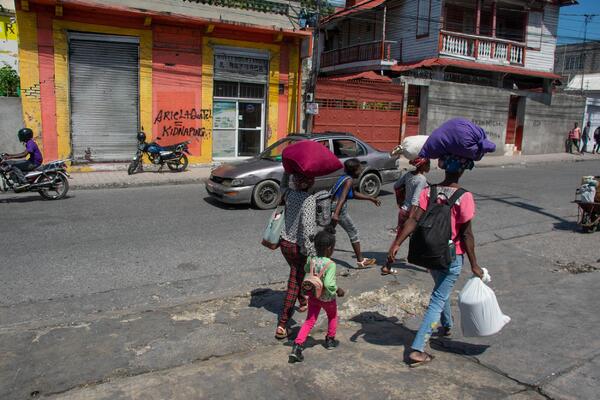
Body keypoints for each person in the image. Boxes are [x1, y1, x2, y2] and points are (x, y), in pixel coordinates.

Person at [387, 155, 485, 367]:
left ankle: (447, 324)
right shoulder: (464, 196)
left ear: (442, 167)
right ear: (463, 170)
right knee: (438, 298)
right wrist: (475, 265)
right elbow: (467, 234)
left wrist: (397, 243)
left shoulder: (428, 191)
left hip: (429, 254)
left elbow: (413, 219)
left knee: (441, 289)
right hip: (451, 256)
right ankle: (418, 349)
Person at [289, 226, 345, 363]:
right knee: (332, 316)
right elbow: (329, 284)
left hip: (313, 296)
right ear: (329, 249)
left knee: (309, 320)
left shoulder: (311, 259)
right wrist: (338, 290)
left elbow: (307, 269)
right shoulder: (330, 264)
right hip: (327, 298)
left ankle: (297, 346)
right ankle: (330, 340)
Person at [276, 173, 317, 340]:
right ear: (311, 182)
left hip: (284, 243)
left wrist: (286, 172)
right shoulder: (309, 200)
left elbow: (282, 187)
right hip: (298, 247)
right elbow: (308, 229)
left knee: (297, 274)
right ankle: (282, 324)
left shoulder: (289, 194)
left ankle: (302, 301)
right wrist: (313, 255)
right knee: (294, 281)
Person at [382, 157, 430, 275]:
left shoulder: (409, 174)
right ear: (422, 166)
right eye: (428, 165)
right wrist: (411, 219)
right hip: (413, 213)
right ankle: (429, 264)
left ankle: (387, 266)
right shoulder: (421, 179)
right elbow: (416, 199)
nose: (429, 167)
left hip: (403, 211)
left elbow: (397, 185)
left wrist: (403, 200)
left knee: (399, 238)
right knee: (423, 237)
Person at [331, 158, 381, 269]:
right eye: (359, 169)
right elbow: (342, 198)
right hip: (338, 208)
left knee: (329, 232)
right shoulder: (348, 181)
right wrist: (336, 214)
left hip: (334, 207)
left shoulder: (345, 178)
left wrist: (370, 198)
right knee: (353, 232)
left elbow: (353, 194)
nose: (361, 171)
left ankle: (323, 258)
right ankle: (360, 261)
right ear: (354, 170)